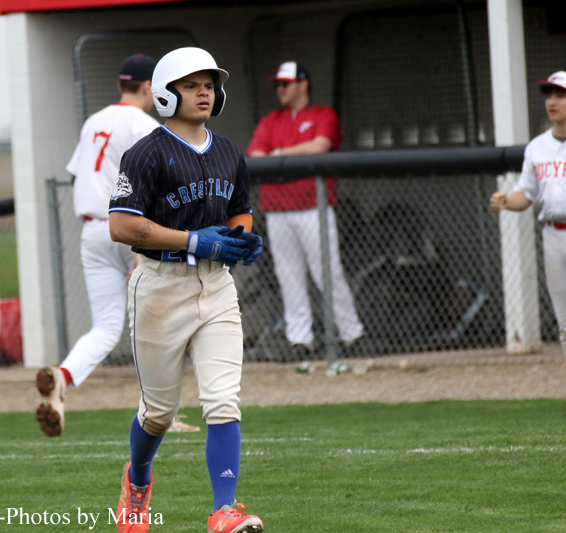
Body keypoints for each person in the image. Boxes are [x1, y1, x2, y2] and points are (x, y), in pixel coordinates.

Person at [108, 47, 265, 533]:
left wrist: (240, 238)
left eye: (210, 84)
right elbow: (120, 225)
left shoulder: (227, 150)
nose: (205, 91)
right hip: (159, 286)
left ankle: (224, 510)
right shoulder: (147, 152)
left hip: (216, 286)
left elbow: (240, 207)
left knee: (222, 400)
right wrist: (196, 240)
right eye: (192, 83)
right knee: (158, 413)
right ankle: (137, 480)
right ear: (164, 93)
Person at [35, 55, 199, 437]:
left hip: (93, 231)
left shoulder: (95, 120)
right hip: (131, 230)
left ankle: (62, 376)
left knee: (108, 325)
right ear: (148, 87)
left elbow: (80, 172)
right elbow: (158, 184)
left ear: (119, 84)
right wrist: (145, 247)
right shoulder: (143, 125)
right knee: (160, 320)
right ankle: (161, 414)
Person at [246, 61, 363, 356]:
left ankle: (352, 336)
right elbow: (255, 155)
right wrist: (278, 155)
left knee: (328, 272)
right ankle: (300, 341)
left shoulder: (323, 115)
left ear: (303, 84)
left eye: (286, 84)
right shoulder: (271, 120)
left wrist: (280, 154)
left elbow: (320, 145)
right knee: (289, 276)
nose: (280, 89)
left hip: (314, 208)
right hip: (277, 211)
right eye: (278, 85)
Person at [490, 71, 566, 360]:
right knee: (565, 323)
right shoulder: (537, 147)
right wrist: (507, 200)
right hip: (553, 234)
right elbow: (527, 194)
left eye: (560, 95)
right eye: (548, 95)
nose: (552, 102)